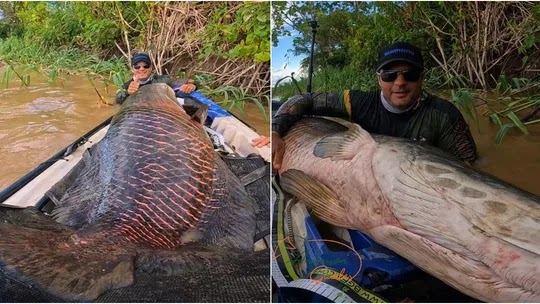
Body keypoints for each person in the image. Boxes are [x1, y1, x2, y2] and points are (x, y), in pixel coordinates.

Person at [272, 41, 478, 170]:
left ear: (422, 78)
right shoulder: (359, 102)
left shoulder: (444, 114)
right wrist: (275, 132)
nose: (399, 83)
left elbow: (469, 168)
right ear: (379, 79)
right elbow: (304, 100)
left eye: (410, 75)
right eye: (390, 75)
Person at [115, 53, 197, 105]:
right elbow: (118, 99)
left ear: (151, 68)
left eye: (145, 66)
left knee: (191, 102)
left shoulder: (163, 80)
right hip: (138, 114)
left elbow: (189, 81)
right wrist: (127, 93)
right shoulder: (127, 86)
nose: (142, 69)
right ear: (132, 69)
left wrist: (191, 85)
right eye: (137, 66)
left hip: (161, 111)